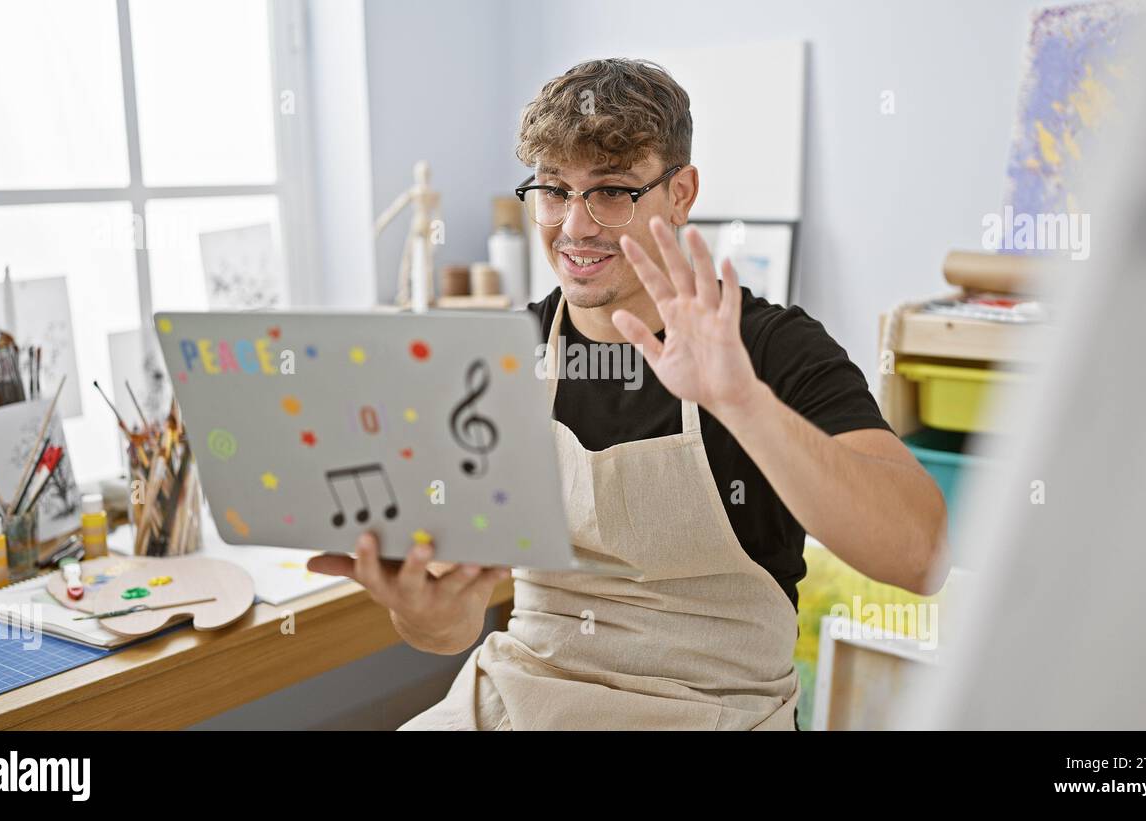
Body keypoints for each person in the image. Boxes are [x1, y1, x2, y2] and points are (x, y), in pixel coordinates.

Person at [309, 58, 948, 730]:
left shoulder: (770, 348)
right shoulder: (501, 357)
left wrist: (743, 403)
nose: (576, 226)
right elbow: (448, 628)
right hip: (529, 694)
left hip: (718, 712)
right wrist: (424, 613)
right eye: (554, 190)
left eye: (611, 191)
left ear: (682, 192)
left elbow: (920, 556)